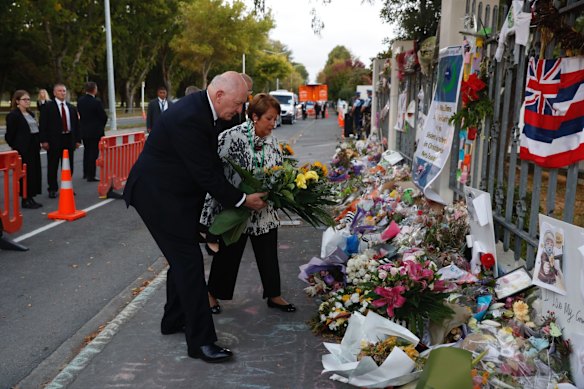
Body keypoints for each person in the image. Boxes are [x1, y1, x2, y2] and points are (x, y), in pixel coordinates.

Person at [123, 71, 267, 363]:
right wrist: (242, 199)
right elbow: (204, 173)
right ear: (219, 96)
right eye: (238, 103)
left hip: (172, 196)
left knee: (182, 261)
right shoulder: (190, 116)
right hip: (156, 197)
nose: (240, 110)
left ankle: (173, 320)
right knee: (189, 262)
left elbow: (209, 163)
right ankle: (201, 342)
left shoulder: (205, 109)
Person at [200, 93, 296, 316]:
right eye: (269, 119)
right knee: (228, 254)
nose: (273, 124)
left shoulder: (273, 141)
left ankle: (274, 294)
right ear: (254, 116)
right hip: (238, 206)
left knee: (268, 251)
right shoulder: (231, 137)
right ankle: (212, 294)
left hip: (263, 210)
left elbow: (278, 169)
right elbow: (215, 173)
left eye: (275, 119)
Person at [39, 83, 81, 199]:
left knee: (68, 165)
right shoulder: (48, 107)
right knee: (53, 165)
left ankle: (67, 186)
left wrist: (78, 140)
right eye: (59, 91)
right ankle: (52, 188)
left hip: (68, 139)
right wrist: (44, 140)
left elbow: (76, 125)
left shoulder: (71, 107)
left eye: (64, 91)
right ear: (54, 93)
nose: (62, 93)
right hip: (54, 140)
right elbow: (43, 125)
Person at [5, 90, 43, 209]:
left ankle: (31, 197)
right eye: (24, 99)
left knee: (34, 173)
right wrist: (17, 146)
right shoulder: (13, 115)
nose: (27, 102)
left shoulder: (30, 114)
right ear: (17, 101)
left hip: (34, 147)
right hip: (23, 149)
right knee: (26, 174)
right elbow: (10, 135)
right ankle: (25, 199)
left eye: (28, 99)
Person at [77, 81, 108, 182]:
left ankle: (86, 173)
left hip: (84, 130)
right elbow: (103, 116)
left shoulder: (80, 101)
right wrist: (101, 126)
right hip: (95, 131)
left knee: (86, 151)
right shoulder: (96, 102)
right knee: (93, 153)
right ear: (94, 90)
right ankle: (91, 174)